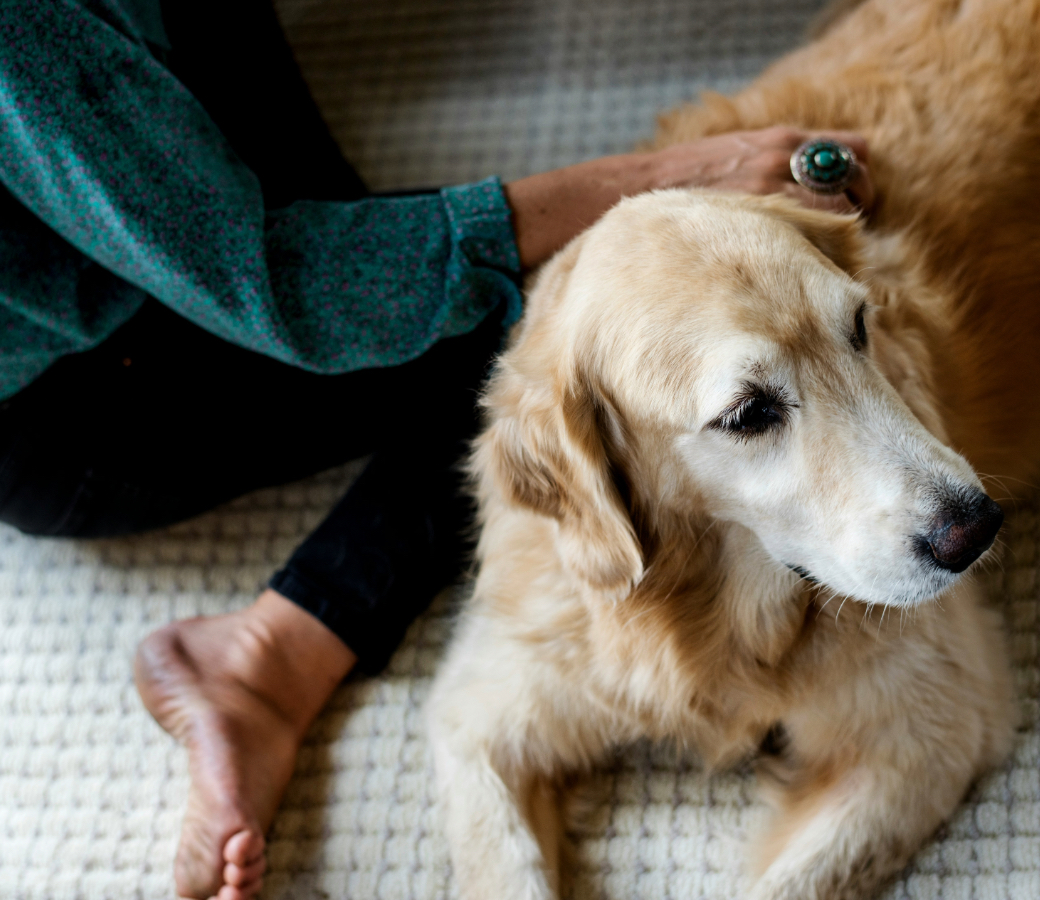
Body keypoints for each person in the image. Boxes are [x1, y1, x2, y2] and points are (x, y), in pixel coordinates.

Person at [0, 1, 875, 898]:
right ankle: (269, 659)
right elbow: (289, 280)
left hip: (161, 136)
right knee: (555, 328)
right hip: (83, 398)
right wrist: (667, 178)